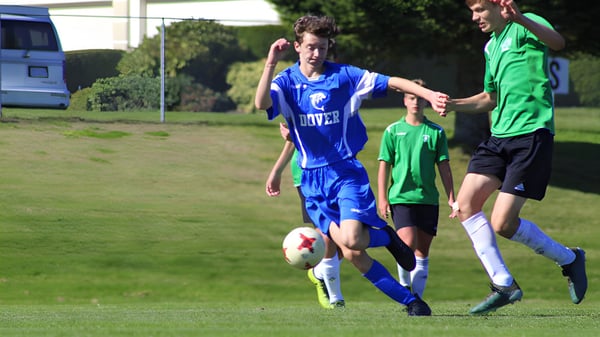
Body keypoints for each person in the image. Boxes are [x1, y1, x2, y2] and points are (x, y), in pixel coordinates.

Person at [255, 14, 449, 316]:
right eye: (310, 48)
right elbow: (261, 103)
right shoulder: (287, 82)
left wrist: (428, 94)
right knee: (352, 252)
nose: (317, 54)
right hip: (311, 182)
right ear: (297, 46)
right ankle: (412, 302)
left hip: (345, 173)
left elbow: (391, 81)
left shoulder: (344, 76)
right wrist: (270, 63)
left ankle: (386, 237)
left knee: (353, 239)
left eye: (322, 47)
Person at [443, 0, 587, 315]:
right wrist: (453, 105)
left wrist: (521, 17)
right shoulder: (490, 46)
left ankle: (570, 259)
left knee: (502, 224)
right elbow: (488, 98)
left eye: (479, 9)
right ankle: (504, 284)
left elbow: (558, 42)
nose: (474, 17)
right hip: (498, 137)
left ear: (498, 5)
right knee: (465, 205)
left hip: (531, 135)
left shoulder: (526, 24)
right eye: (472, 11)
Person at [377, 79, 456, 300]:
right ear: (405, 100)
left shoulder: (436, 132)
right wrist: (382, 197)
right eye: (412, 97)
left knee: (422, 252)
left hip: (428, 199)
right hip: (401, 197)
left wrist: (452, 197)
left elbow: (444, 166)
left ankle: (417, 300)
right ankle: (405, 289)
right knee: (407, 244)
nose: (416, 102)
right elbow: (384, 165)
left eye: (420, 98)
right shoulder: (393, 131)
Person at [266, 123, 345, 309]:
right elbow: (292, 140)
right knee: (326, 232)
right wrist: (276, 171)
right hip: (307, 174)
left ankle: (318, 273)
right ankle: (336, 299)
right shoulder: (298, 100)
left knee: (349, 239)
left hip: (337, 172)